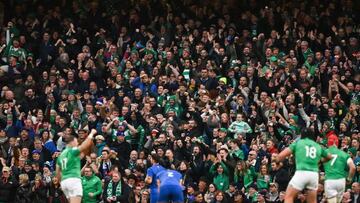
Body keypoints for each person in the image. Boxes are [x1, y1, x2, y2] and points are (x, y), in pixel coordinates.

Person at [275, 128, 332, 203]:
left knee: (289, 197)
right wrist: (320, 161)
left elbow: (279, 157)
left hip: (302, 172)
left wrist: (277, 162)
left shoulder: (298, 143)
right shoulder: (317, 146)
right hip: (314, 175)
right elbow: (330, 157)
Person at [56, 129, 97, 203]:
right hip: (73, 180)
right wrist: (91, 134)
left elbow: (57, 172)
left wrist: (61, 182)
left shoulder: (61, 155)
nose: (77, 142)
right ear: (71, 142)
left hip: (64, 182)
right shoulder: (72, 151)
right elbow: (85, 145)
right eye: (76, 141)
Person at [324, 135, 356, 203]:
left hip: (330, 180)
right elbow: (353, 167)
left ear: (328, 142)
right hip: (341, 181)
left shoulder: (324, 152)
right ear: (337, 143)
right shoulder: (343, 153)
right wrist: (349, 179)